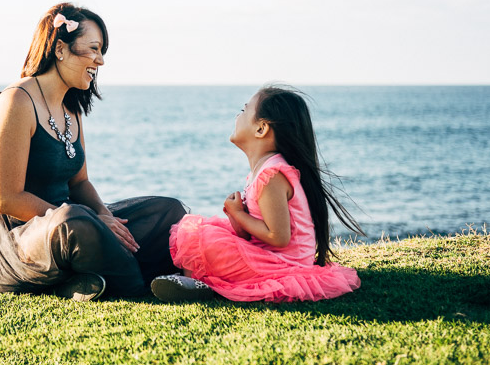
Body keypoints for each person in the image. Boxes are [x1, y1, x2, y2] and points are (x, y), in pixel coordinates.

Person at [0, 2, 186, 300]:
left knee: (167, 210)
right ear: (60, 49)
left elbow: (80, 183)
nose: (100, 61)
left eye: (102, 52)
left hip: (74, 220)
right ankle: (138, 287)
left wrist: (103, 214)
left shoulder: (72, 108)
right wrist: (92, 219)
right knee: (75, 222)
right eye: (94, 49)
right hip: (16, 240)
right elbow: (7, 200)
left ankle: (88, 279)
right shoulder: (16, 102)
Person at [151, 84, 363, 302]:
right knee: (204, 230)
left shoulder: (271, 175)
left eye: (244, 110)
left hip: (283, 265)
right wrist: (236, 216)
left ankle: (197, 284)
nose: (237, 115)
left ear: (261, 129)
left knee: (204, 238)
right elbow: (252, 236)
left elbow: (277, 237)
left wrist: (239, 214)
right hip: (266, 256)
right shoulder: (262, 172)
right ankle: (195, 282)